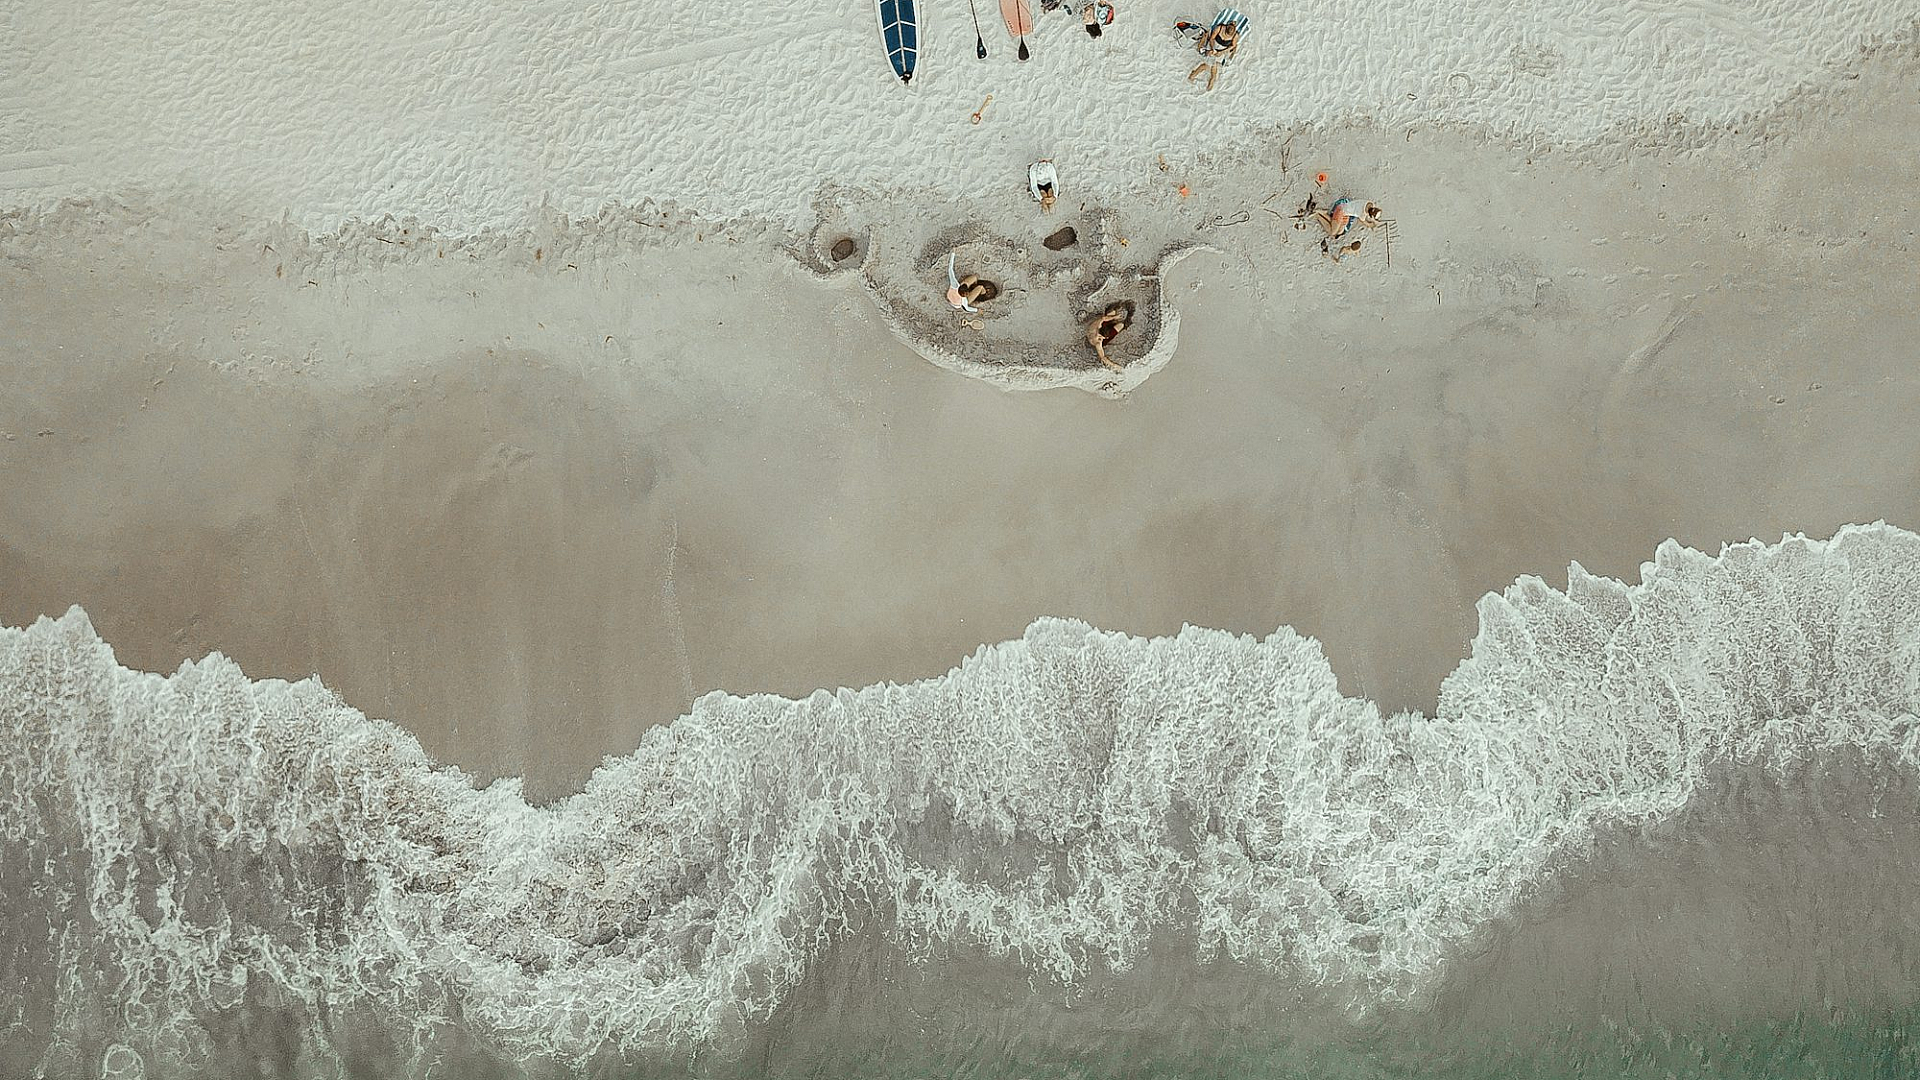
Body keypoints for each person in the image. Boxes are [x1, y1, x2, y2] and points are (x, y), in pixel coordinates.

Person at [1188, 18, 1239, 91]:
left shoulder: (1235, 35)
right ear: (1226, 27)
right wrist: (1213, 48)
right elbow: (1212, 38)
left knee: (1210, 64)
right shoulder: (1220, 28)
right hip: (1213, 45)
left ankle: (1194, 75)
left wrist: (1222, 52)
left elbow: (1233, 46)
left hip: (1222, 50)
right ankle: (1212, 78)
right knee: (1211, 62)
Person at [1085, 301, 1135, 371]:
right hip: (1099, 334)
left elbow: (1103, 318)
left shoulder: (1096, 325)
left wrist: (1114, 317)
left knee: (1111, 313)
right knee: (1121, 325)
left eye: (1102, 338)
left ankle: (1119, 307)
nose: (1102, 339)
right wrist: (1116, 366)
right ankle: (1126, 321)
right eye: (1102, 338)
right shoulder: (1098, 342)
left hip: (1103, 327)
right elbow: (1103, 358)